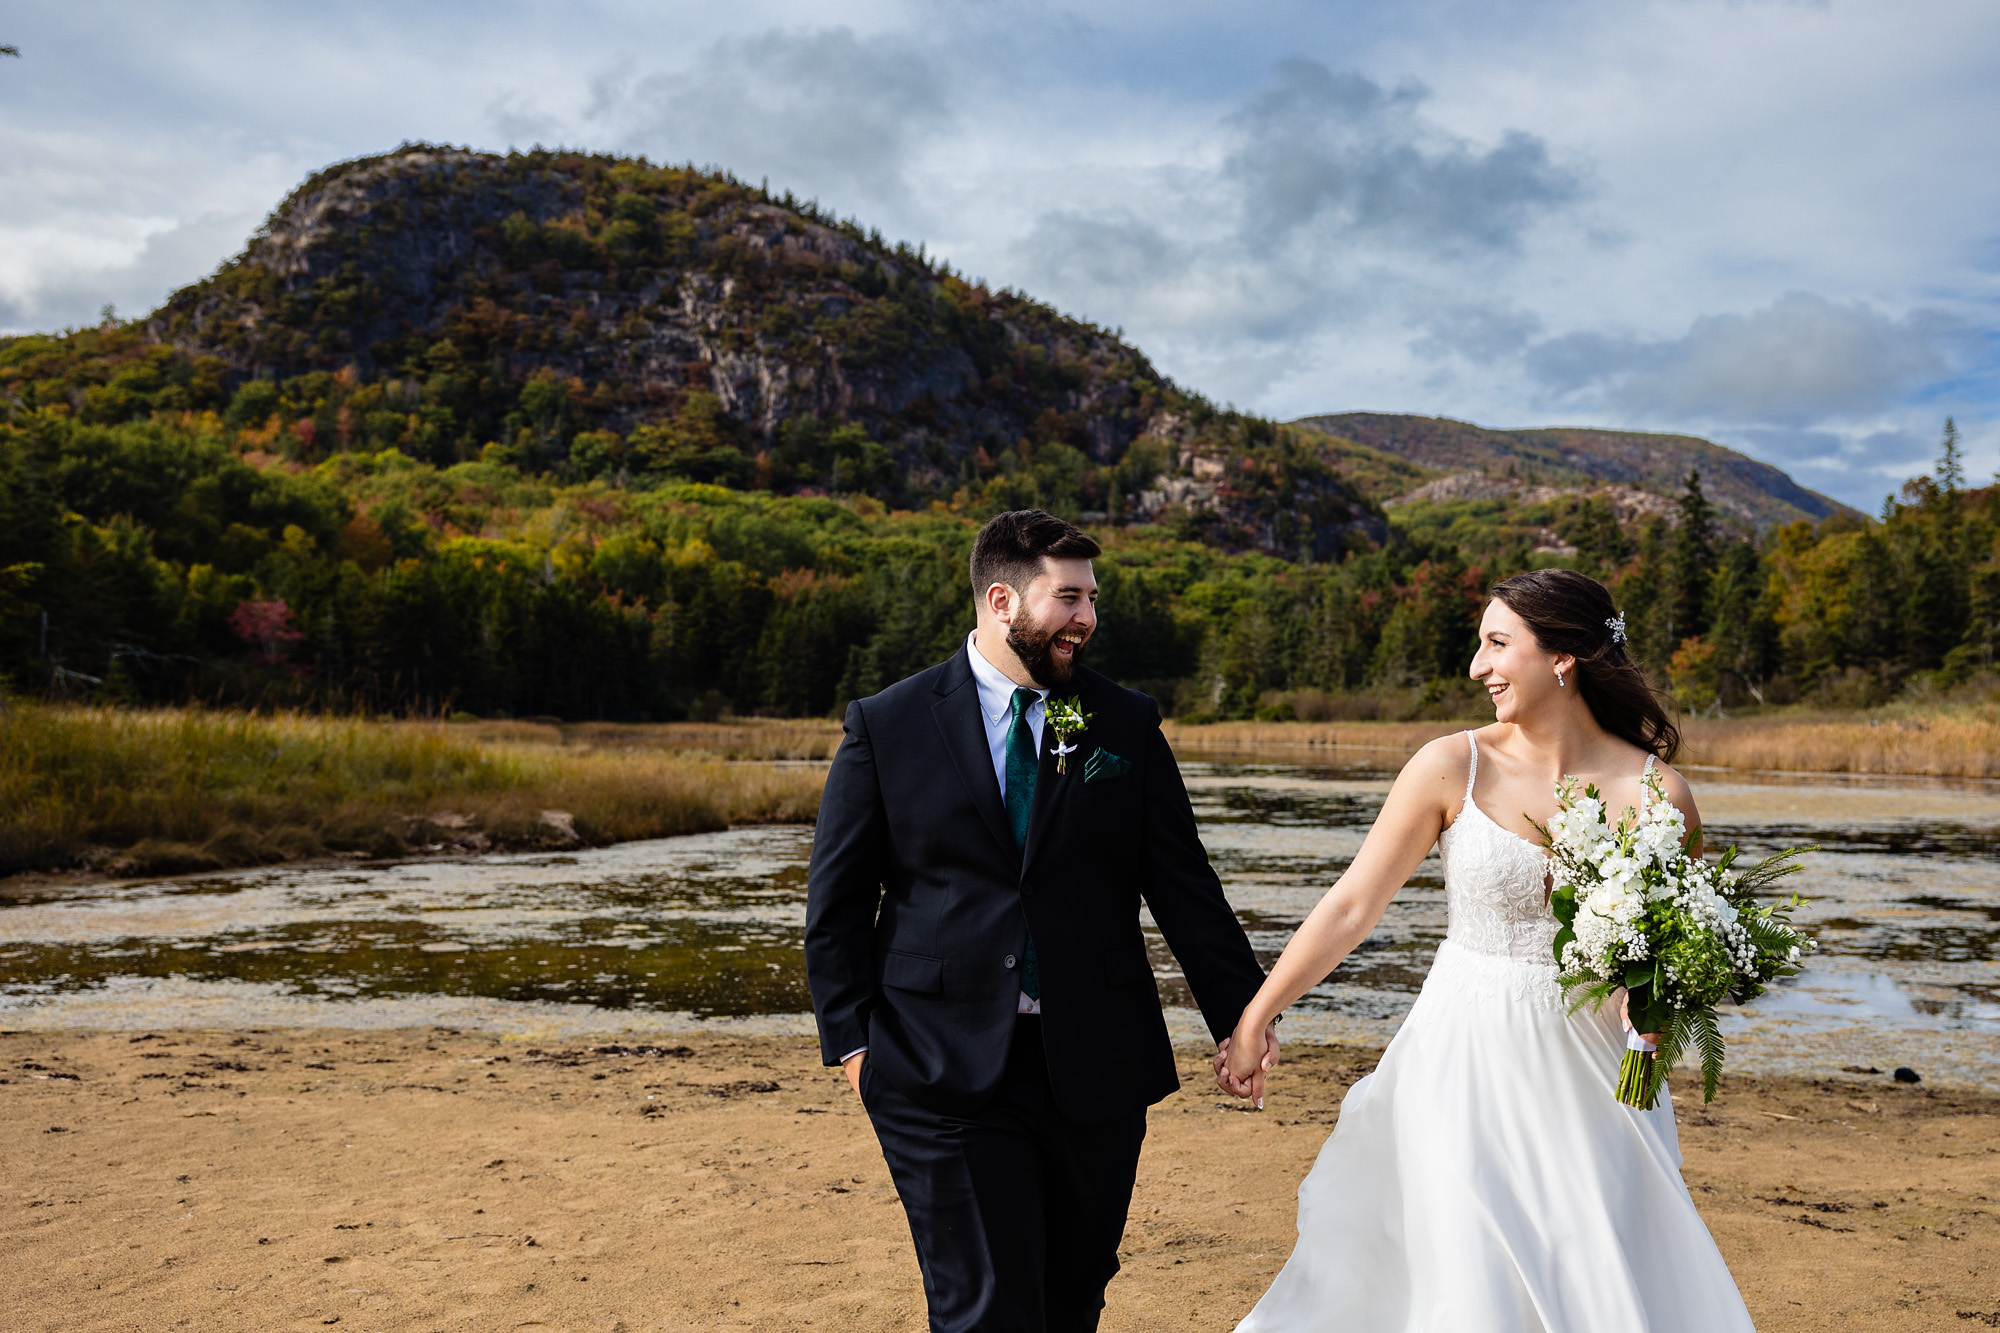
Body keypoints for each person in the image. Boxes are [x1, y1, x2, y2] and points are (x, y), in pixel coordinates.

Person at [1221, 567, 1756, 1331]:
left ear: (1564, 657)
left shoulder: (1657, 793)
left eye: (1498, 644)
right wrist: (1257, 1015)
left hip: (1597, 1075)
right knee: (1467, 1274)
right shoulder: (1451, 764)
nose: (1478, 667)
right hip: (1461, 1058)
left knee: (1593, 1268)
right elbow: (1351, 904)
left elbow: (1679, 961)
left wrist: (1656, 1028)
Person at [805, 508, 1279, 1332]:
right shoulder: (887, 724)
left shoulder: (1122, 722)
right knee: (986, 1309)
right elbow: (837, 903)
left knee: (1072, 1298)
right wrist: (855, 1049)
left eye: (1091, 598)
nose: (1086, 619)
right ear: (1001, 600)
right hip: (935, 1065)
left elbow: (1183, 885)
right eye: (1068, 598)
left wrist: (1243, 1016)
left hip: (1095, 1062)